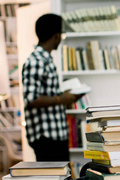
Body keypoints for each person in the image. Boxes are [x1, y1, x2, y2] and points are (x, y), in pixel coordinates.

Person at [22, 13, 81, 161]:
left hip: (55, 134)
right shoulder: (36, 61)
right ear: (55, 36)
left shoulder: (45, 60)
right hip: (46, 137)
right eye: (61, 34)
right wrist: (62, 98)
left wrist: (66, 96)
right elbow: (32, 99)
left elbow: (45, 93)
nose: (61, 38)